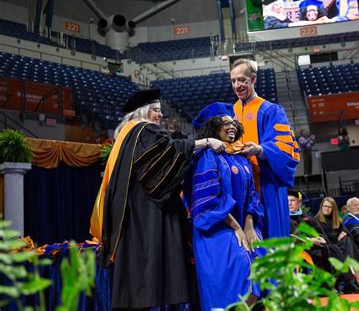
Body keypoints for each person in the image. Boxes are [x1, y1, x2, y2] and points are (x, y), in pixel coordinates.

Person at [89, 89, 225, 309]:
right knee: (148, 275)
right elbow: (167, 156)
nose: (161, 116)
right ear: (144, 111)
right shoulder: (145, 130)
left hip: (131, 214)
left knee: (134, 278)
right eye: (157, 111)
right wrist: (204, 142)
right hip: (147, 215)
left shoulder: (126, 135)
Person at [185, 102, 265, 311]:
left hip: (243, 223)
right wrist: (237, 227)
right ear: (212, 127)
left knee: (262, 260)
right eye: (224, 122)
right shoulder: (206, 156)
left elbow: (253, 196)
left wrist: (248, 225)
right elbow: (205, 201)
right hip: (216, 226)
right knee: (239, 268)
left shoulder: (241, 157)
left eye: (232, 122)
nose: (231, 126)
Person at [231, 58, 300, 239]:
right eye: (233, 81)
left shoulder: (271, 110)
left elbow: (285, 148)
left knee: (272, 238)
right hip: (243, 187)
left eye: (242, 80)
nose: (237, 85)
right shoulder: (234, 111)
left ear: (253, 79)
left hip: (267, 184)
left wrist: (260, 150)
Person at [288, 192, 359, 294]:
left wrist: (320, 238)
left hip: (316, 244)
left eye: (292, 201)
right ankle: (329, 286)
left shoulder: (306, 216)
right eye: (287, 201)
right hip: (302, 247)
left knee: (334, 248)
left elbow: (319, 231)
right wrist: (311, 240)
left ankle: (346, 283)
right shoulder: (286, 219)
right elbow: (292, 236)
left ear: (299, 203)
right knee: (325, 251)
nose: (289, 203)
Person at [314, 197, 359, 290]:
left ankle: (350, 281)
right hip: (328, 247)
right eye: (325, 206)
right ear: (321, 206)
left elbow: (348, 234)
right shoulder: (316, 220)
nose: (327, 209)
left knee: (347, 240)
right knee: (344, 248)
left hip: (339, 246)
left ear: (333, 209)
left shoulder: (337, 220)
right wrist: (337, 236)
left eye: (330, 207)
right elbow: (322, 237)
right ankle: (350, 281)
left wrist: (343, 234)